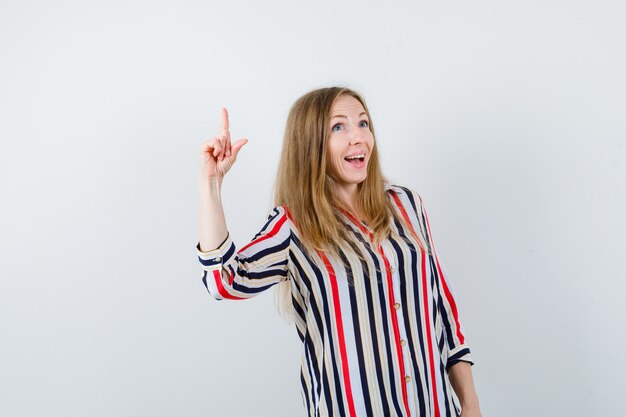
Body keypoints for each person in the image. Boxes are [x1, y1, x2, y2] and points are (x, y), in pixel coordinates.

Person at [196, 87, 482, 417]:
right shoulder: (292, 226)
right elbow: (223, 281)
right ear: (310, 144)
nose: (358, 137)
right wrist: (210, 184)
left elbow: (442, 311)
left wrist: (470, 404)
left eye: (363, 123)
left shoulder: (407, 205)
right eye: (339, 127)